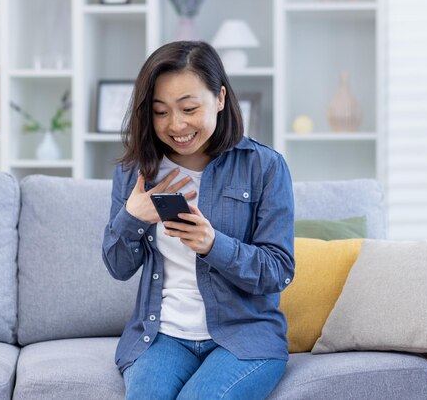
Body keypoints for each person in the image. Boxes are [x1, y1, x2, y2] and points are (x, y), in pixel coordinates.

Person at [101, 41, 295, 400]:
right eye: (160, 112)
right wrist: (133, 217)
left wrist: (212, 245)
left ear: (220, 98)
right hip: (161, 337)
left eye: (189, 108)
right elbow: (117, 267)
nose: (176, 125)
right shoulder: (136, 173)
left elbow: (278, 270)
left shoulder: (264, 167)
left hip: (243, 338)